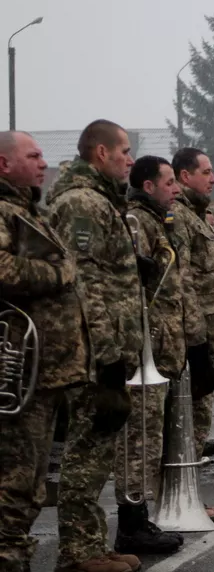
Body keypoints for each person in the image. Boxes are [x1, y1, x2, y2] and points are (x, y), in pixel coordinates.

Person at [46, 120, 145, 572]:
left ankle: (90, 543)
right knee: (86, 452)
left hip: (106, 350)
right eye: (124, 150)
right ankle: (78, 552)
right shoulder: (83, 204)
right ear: (100, 153)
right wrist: (106, 358)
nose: (129, 158)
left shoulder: (102, 200)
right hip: (89, 353)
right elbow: (85, 285)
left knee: (97, 449)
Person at [0, 132, 99, 572]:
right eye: (33, 155)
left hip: (46, 371)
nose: (44, 162)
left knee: (32, 482)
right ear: (4, 165)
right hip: (19, 374)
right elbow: (3, 269)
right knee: (15, 482)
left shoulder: (26, 211)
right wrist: (59, 271)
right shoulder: (3, 212)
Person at [114, 156, 189, 554]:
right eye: (169, 182)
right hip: (147, 343)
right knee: (139, 439)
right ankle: (131, 522)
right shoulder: (138, 221)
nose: (176, 188)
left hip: (162, 344)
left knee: (151, 437)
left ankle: (142, 517)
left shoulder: (160, 221)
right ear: (148, 185)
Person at [170, 147, 214, 523]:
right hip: (189, 341)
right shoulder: (180, 218)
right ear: (184, 176)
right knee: (187, 424)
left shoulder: (195, 218)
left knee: (196, 425)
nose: (213, 179)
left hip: (203, 339)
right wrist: (196, 344)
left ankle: (190, 498)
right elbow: (184, 284)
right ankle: (180, 501)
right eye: (207, 172)